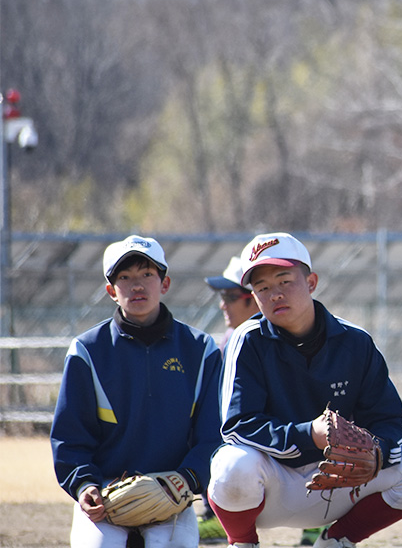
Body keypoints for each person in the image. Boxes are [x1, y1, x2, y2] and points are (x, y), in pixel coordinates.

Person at [207, 232, 402, 548]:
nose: (274, 294)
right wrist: (308, 434)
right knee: (231, 464)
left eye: (284, 280)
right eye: (262, 287)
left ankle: (337, 540)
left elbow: (391, 419)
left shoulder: (355, 341)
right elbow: (237, 426)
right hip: (274, 486)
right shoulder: (247, 340)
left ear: (311, 281)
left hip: (341, 484)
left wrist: (377, 452)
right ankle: (243, 541)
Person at [50, 235, 223, 548]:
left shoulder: (201, 350)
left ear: (165, 283)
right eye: (125, 278)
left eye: (147, 275)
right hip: (105, 492)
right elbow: (69, 436)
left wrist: (187, 479)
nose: (137, 286)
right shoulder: (86, 351)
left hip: (174, 490)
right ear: (111, 291)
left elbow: (213, 435)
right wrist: (85, 485)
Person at [198, 256, 261, 542]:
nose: (223, 304)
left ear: (254, 298)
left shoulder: (271, 338)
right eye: (222, 297)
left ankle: (316, 523)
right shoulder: (231, 335)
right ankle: (215, 514)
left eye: (230, 296)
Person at [204, 256, 261, 351]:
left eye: (230, 298)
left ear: (256, 298)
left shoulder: (277, 340)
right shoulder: (231, 336)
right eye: (222, 297)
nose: (222, 306)